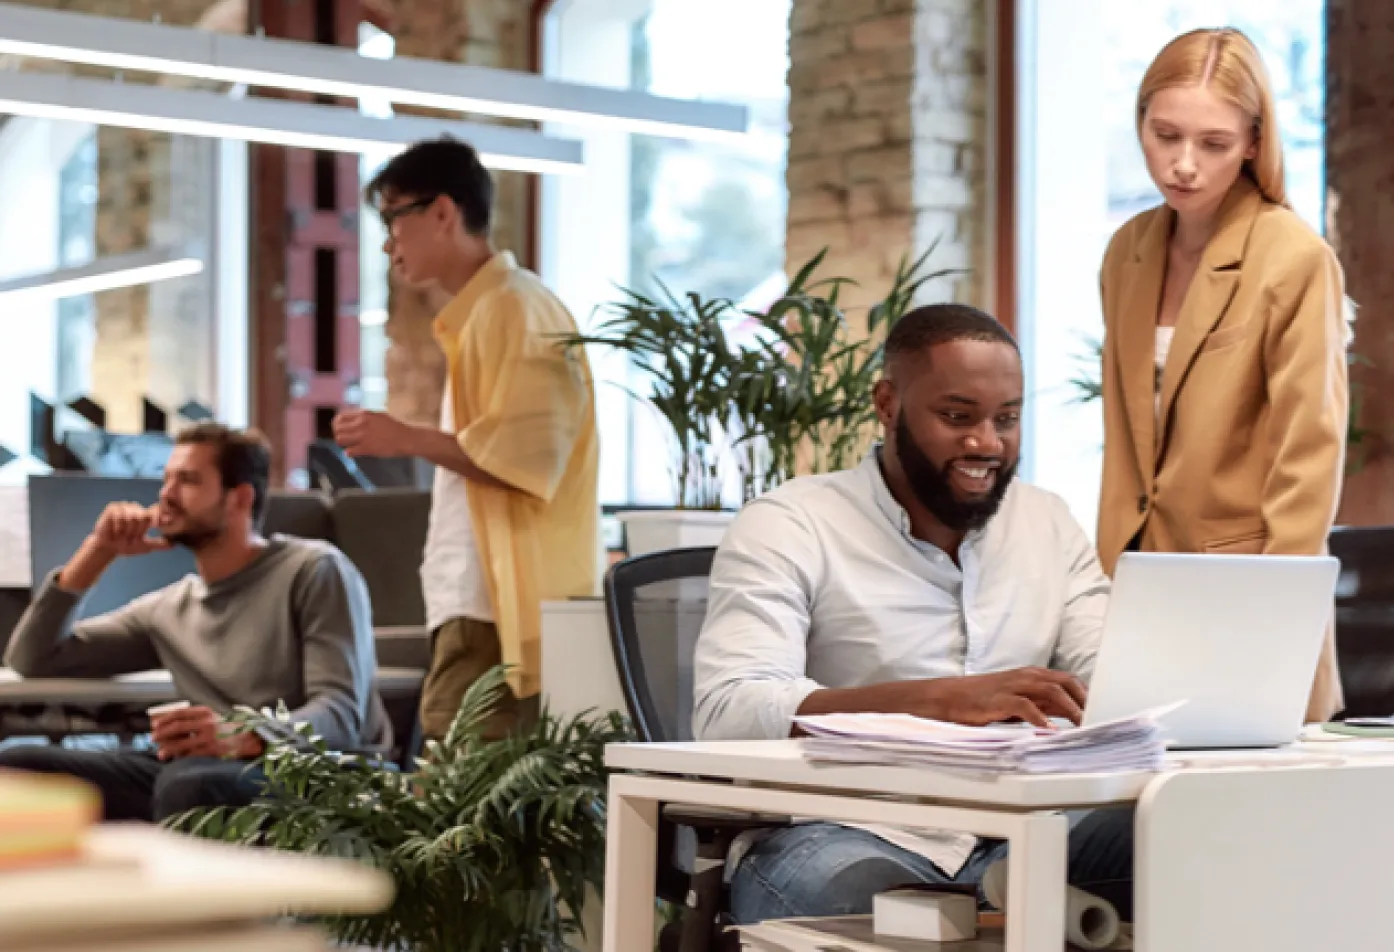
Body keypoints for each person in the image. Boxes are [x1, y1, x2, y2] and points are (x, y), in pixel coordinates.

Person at [693, 303, 1133, 924]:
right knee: (850, 896)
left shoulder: (1046, 521)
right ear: (887, 404)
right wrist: (937, 702)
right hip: (851, 828)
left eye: (1006, 419)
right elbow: (728, 708)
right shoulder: (792, 521)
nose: (986, 442)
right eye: (957, 417)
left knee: (1186, 839)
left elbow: (1111, 676)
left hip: (1029, 824)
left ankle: (999, 903)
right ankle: (998, 906)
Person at [1097, 28, 1349, 723]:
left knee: (1251, 822)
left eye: (1212, 143)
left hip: (1253, 594)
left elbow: (1308, 461)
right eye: (1164, 134)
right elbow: (1124, 438)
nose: (1182, 165)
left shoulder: (1293, 257)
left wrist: (1276, 623)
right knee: (1139, 821)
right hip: (1144, 590)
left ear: (1251, 141)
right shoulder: (1128, 253)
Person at [332, 137, 599, 743]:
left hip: (497, 608)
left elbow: (529, 458)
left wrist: (407, 439)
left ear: (443, 213)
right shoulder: (489, 312)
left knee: (459, 804)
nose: (387, 243)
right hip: (482, 603)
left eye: (392, 220)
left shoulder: (514, 309)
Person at [0, 424, 389, 822]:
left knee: (190, 784)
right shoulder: (170, 607)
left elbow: (340, 716)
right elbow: (33, 658)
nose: (165, 495)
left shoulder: (313, 570)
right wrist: (97, 553)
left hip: (310, 772)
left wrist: (248, 735)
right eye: (166, 479)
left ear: (239, 498)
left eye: (187, 481)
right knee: (18, 767)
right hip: (203, 769)